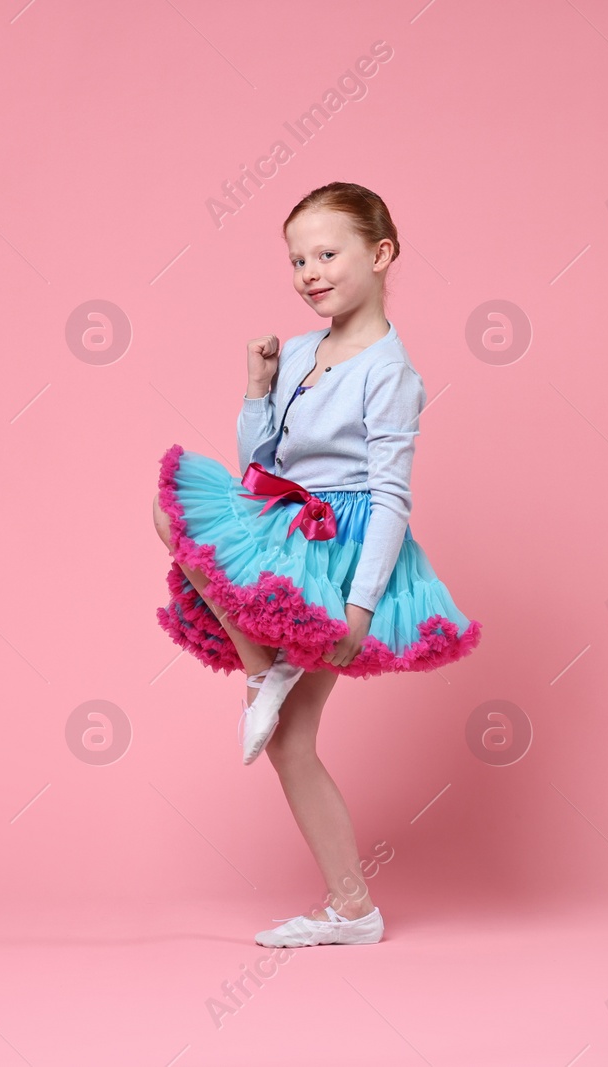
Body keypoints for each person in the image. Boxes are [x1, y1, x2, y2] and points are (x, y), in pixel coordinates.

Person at [151, 181, 482, 948]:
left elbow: (394, 496)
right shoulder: (300, 351)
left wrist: (362, 604)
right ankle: (352, 905)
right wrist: (257, 390)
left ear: (380, 253)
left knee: (289, 739)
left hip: (343, 543)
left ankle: (350, 905)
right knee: (172, 509)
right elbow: (256, 464)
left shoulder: (390, 372)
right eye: (298, 259)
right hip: (286, 514)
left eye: (327, 253)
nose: (310, 272)